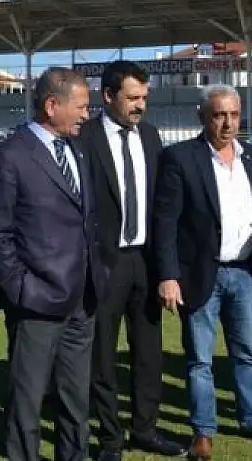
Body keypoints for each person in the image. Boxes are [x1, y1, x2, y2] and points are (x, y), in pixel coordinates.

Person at [153, 84, 252, 461]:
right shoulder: (180, 158)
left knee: (247, 353)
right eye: (218, 115)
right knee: (199, 359)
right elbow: (166, 221)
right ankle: (203, 432)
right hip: (199, 276)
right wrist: (168, 275)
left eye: (233, 114)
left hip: (243, 272)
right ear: (203, 117)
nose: (227, 123)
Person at [0, 68, 99, 461]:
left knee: (75, 399)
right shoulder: (9, 156)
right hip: (36, 302)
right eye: (80, 107)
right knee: (26, 402)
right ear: (52, 105)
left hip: (83, 300)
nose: (86, 114)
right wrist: (21, 288)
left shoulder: (78, 150)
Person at [76, 61, 185, 460]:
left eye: (144, 97)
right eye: (132, 98)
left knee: (148, 354)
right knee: (102, 357)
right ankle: (110, 438)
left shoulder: (152, 137)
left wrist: (166, 268)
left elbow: (162, 206)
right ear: (108, 96)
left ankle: (145, 431)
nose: (141, 106)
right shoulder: (84, 138)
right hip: (104, 263)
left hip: (147, 260)